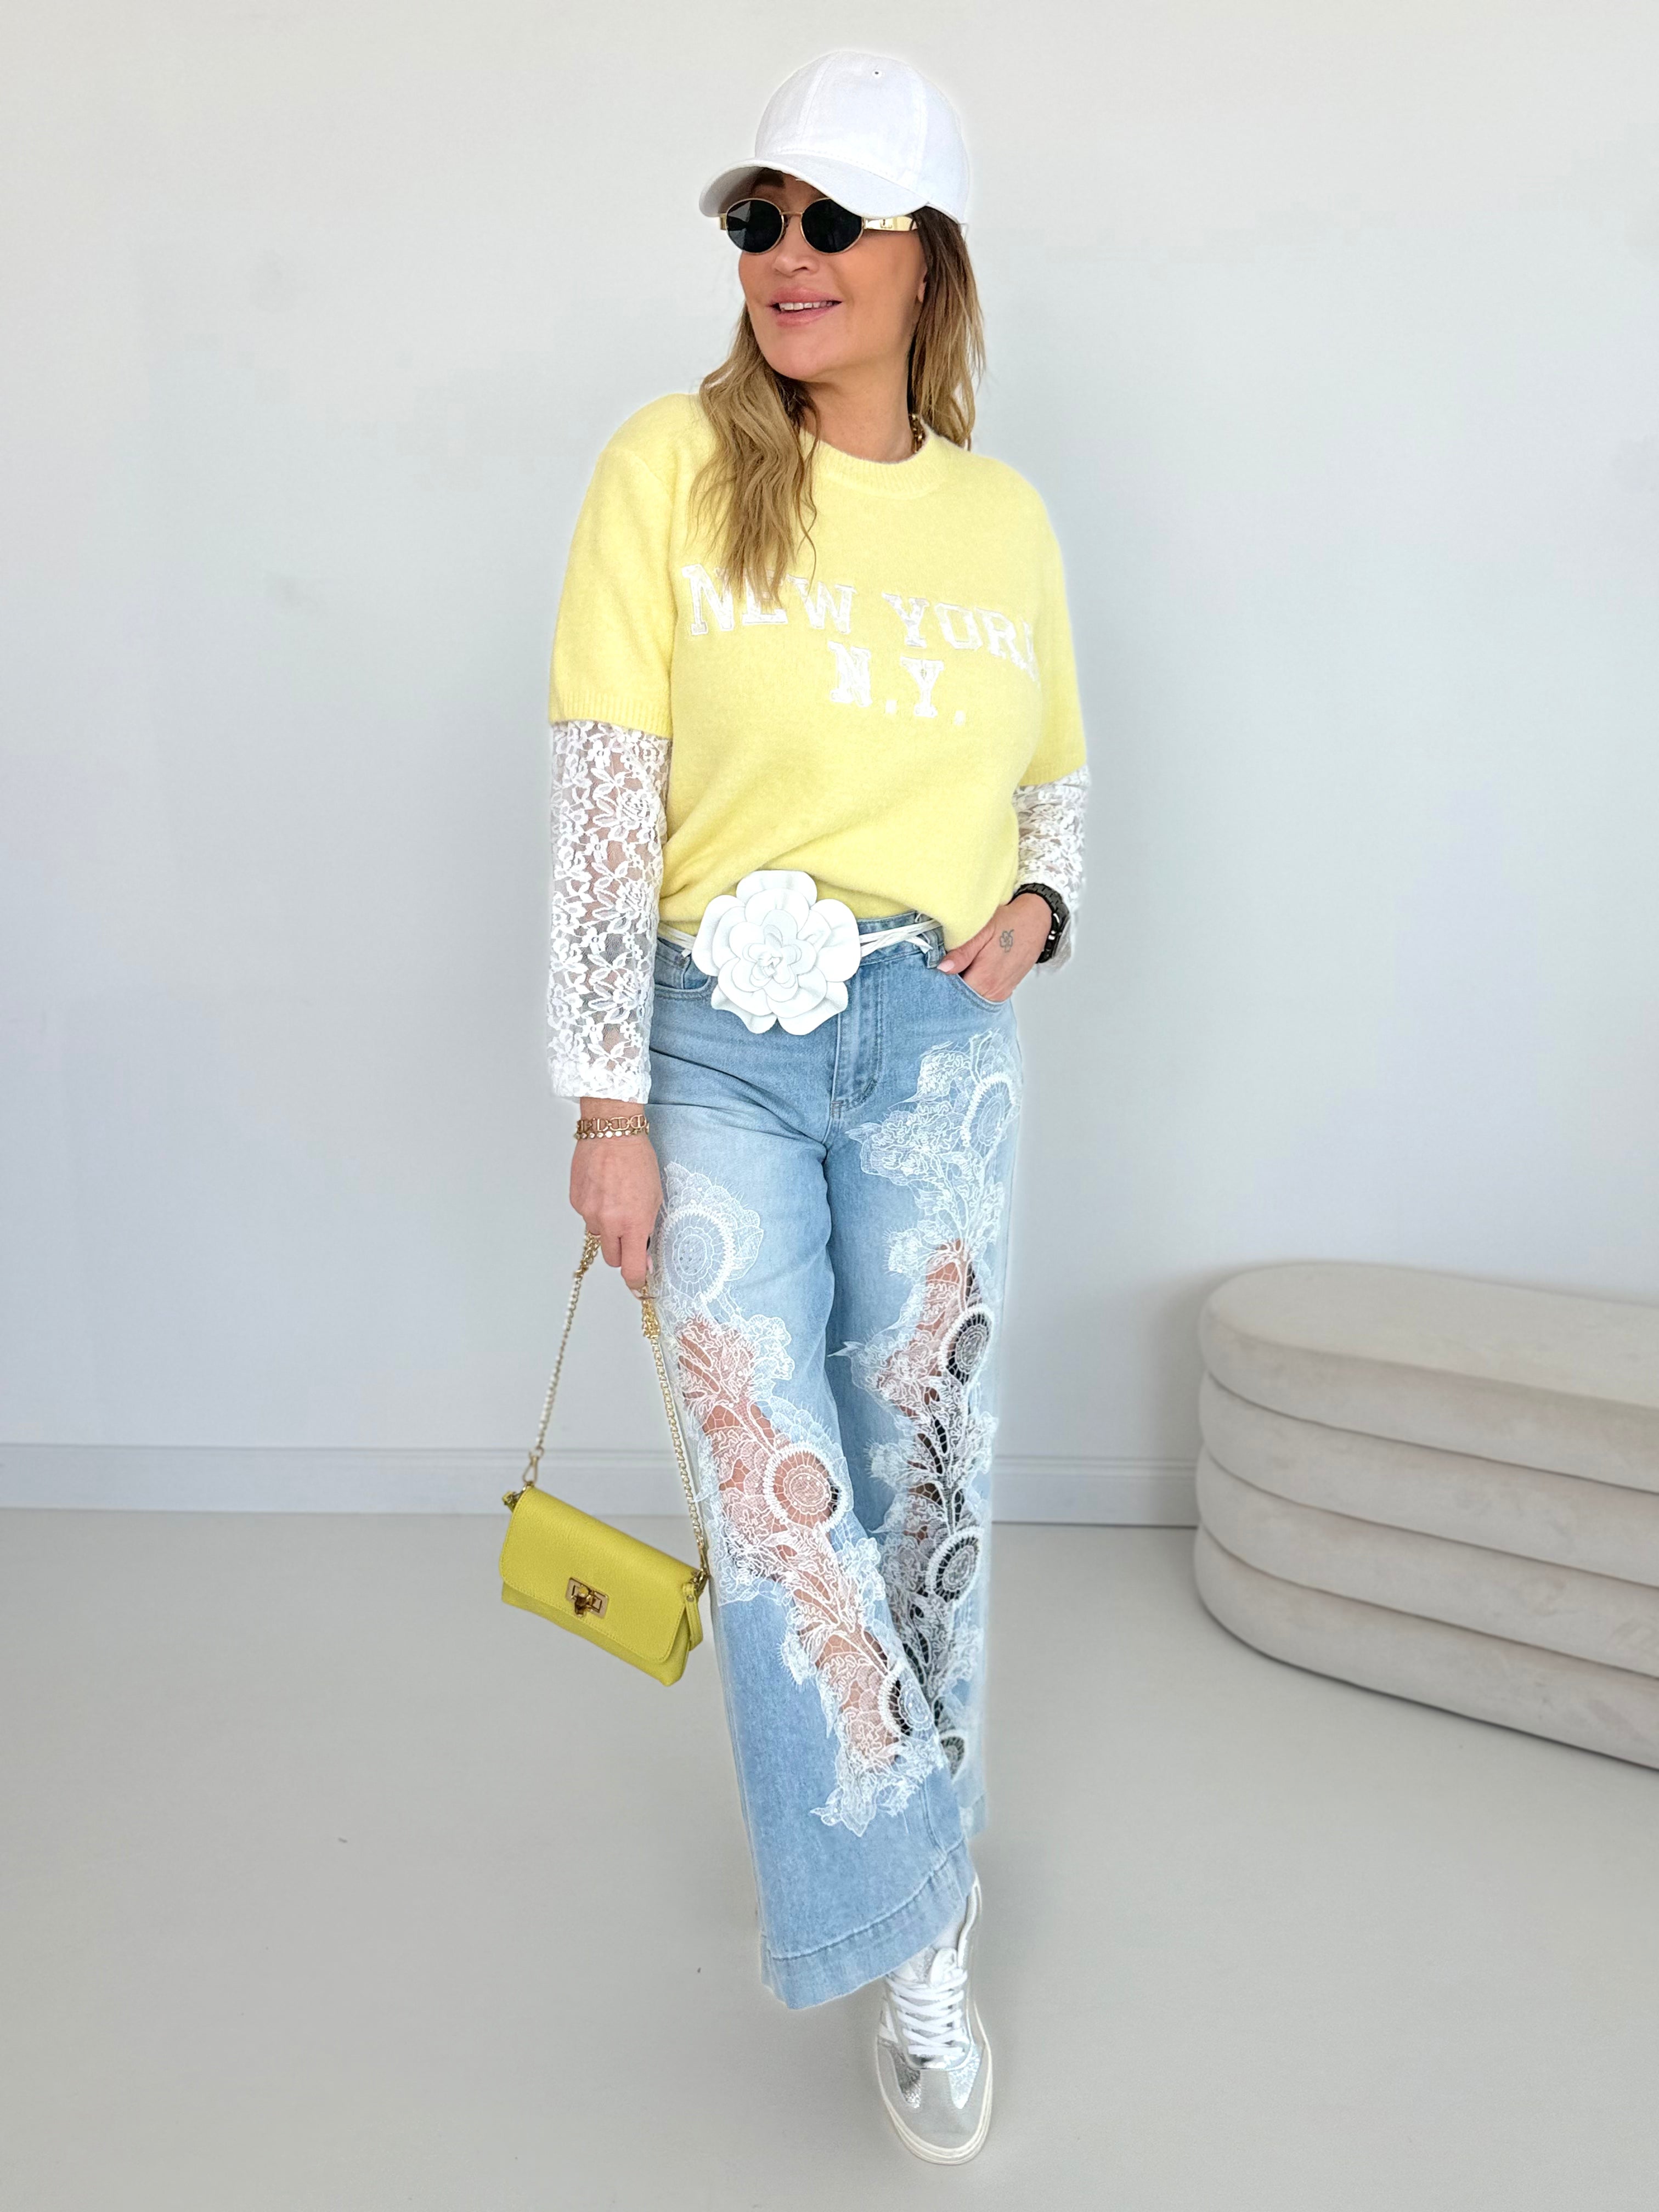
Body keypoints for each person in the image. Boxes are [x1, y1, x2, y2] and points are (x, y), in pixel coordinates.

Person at [544, 49, 1088, 2164]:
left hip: (934, 1043)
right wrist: (605, 1102)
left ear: (926, 257)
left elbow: (1054, 781)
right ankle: (916, 1905)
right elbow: (606, 803)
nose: (786, 255)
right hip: (712, 1046)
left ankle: (908, 1899)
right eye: (757, 217)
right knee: (779, 1494)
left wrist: (1040, 907)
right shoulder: (667, 467)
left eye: (830, 220)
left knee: (922, 1482)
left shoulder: (1003, 520)